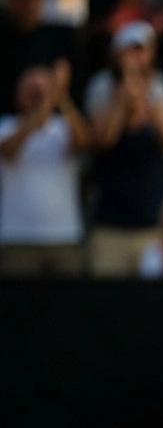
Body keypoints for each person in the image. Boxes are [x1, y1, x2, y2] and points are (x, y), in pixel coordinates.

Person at [88, 29, 163, 277]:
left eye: (141, 50)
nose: (136, 56)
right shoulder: (101, 86)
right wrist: (123, 95)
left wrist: (145, 84)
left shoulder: (161, 86)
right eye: (130, 50)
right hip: (110, 226)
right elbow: (104, 140)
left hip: (151, 226)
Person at [0, 63, 88, 276]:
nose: (39, 96)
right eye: (32, 91)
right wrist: (44, 106)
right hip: (17, 236)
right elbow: (9, 149)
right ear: (18, 95)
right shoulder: (6, 126)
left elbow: (84, 140)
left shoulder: (63, 127)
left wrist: (62, 98)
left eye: (43, 91)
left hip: (64, 236)